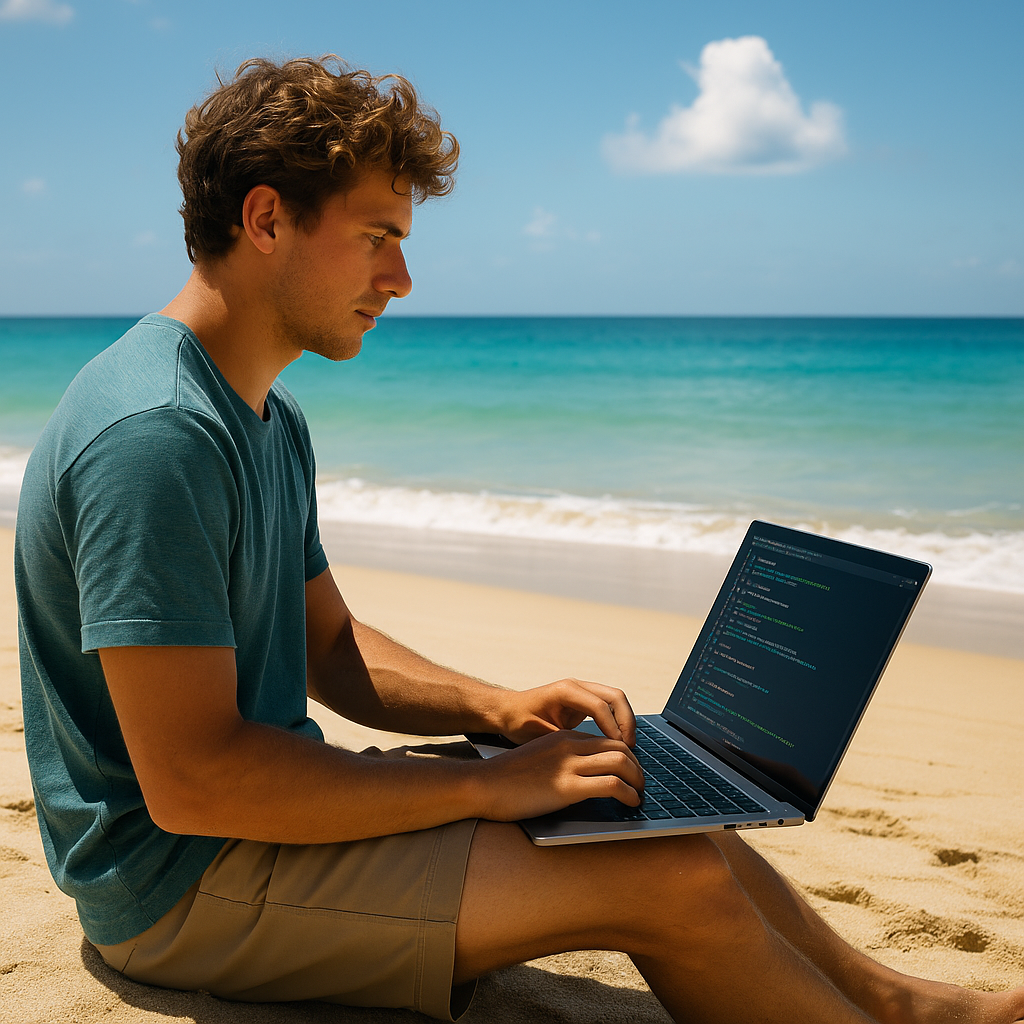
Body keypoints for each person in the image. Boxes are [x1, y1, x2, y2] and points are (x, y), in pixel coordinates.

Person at [13, 55, 1024, 1024]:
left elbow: (329, 647)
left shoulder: (265, 415)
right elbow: (194, 781)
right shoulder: (154, 434)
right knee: (666, 878)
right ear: (267, 217)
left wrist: (499, 709)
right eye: (376, 236)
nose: (401, 277)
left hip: (247, 829)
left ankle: (901, 1002)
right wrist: (476, 780)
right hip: (180, 887)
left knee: (640, 802)